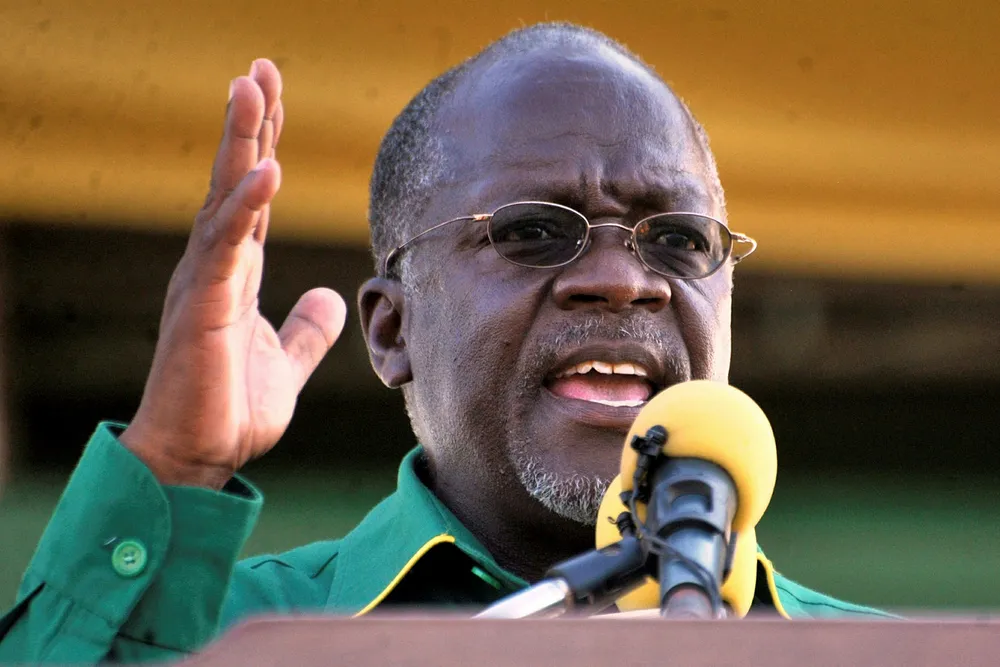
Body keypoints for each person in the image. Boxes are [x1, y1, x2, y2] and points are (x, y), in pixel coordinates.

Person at [0, 22, 894, 664]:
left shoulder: (892, 654)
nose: (626, 280)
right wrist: (171, 465)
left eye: (679, 239)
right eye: (534, 231)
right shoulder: (233, 639)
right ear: (393, 330)